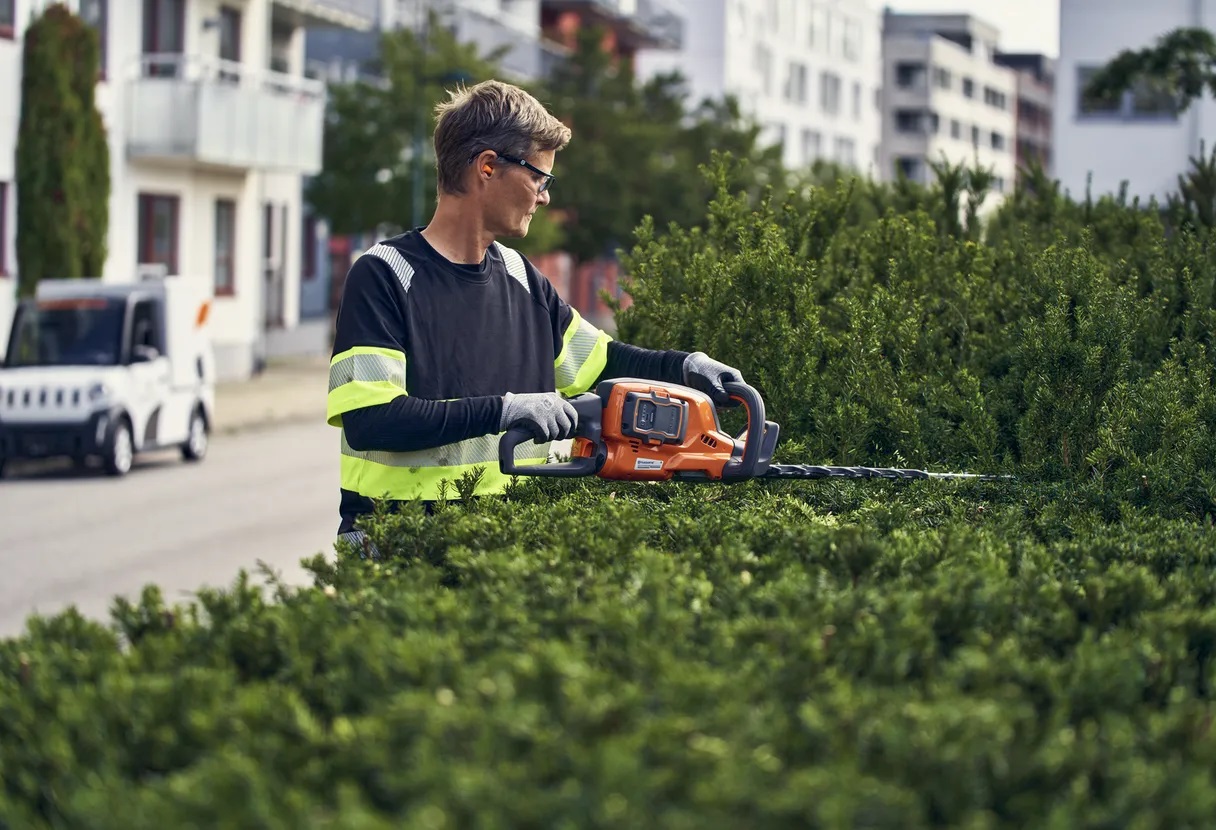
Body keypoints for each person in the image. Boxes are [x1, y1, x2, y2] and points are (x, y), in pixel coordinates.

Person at [326, 79, 745, 552]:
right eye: (539, 178)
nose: (545, 196)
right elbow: (372, 419)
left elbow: (603, 362)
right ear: (487, 167)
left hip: (503, 550)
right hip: (395, 547)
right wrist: (507, 409)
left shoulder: (520, 278)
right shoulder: (384, 276)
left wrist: (687, 367)